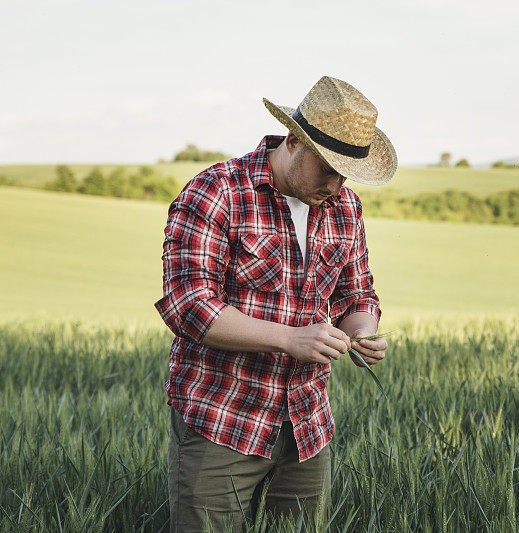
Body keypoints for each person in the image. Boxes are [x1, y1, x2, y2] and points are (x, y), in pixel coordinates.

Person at [153, 75, 397, 532]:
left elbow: (356, 293)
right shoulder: (217, 191)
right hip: (223, 418)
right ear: (293, 141)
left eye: (346, 171)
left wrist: (363, 332)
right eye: (327, 167)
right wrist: (287, 339)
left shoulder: (345, 206)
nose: (337, 182)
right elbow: (189, 305)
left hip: (307, 424)